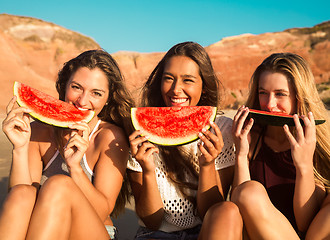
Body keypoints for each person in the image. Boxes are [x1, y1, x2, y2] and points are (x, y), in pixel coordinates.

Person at [0, 49, 134, 239]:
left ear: (107, 99)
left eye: (96, 93)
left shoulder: (110, 137)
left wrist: (74, 168)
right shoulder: (39, 130)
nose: (82, 100)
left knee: (60, 185)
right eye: (77, 87)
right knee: (22, 192)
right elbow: (20, 201)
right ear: (65, 86)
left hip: (93, 232)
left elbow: (102, 211)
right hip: (43, 229)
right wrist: (20, 148)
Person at [127, 41, 243, 240]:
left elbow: (211, 213)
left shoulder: (222, 130)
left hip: (204, 234)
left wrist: (207, 165)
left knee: (228, 211)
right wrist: (147, 169)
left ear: (204, 87)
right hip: (155, 235)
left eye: (187, 80)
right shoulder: (141, 132)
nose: (175, 89)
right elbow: (152, 222)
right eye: (169, 78)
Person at [231, 52, 330, 239]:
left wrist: (304, 165)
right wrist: (241, 155)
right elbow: (240, 205)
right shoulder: (250, 138)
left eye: (280, 94)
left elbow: (304, 223)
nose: (269, 104)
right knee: (249, 192)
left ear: (299, 97)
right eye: (263, 93)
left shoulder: (314, 143)